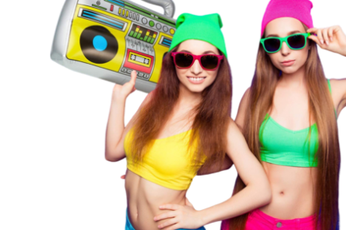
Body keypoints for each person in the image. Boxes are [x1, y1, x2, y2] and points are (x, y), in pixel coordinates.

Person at [106, 13, 270, 230]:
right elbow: (113, 152)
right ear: (172, 61)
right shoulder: (153, 100)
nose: (196, 69)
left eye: (208, 60)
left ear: (220, 66)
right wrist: (118, 98)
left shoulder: (221, 125)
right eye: (185, 58)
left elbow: (261, 190)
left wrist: (201, 217)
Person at [225, 0, 346, 230]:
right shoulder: (253, 97)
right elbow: (225, 159)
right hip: (251, 222)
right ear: (265, 50)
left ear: (310, 42)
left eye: (295, 39)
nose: (285, 50)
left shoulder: (335, 93)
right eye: (273, 43)